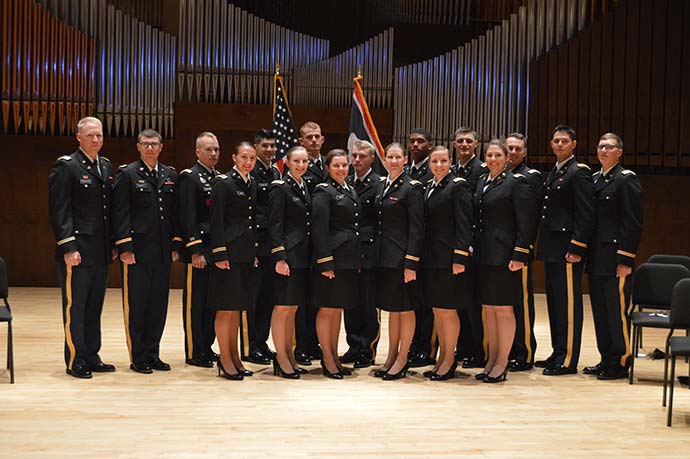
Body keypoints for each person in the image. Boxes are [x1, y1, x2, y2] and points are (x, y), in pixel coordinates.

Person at [48, 116, 116, 379]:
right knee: (75, 307)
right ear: (79, 137)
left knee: (93, 306)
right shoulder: (67, 166)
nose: (96, 140)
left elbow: (106, 212)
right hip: (77, 251)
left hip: (99, 251)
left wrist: (110, 244)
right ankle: (76, 358)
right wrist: (68, 247)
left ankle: (92, 354)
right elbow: (59, 211)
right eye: (90, 135)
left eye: (99, 135)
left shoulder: (105, 166)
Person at [112, 128, 181, 374]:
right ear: (138, 147)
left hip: (162, 252)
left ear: (161, 147)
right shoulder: (128, 174)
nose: (150, 148)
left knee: (158, 305)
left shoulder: (170, 174)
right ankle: (138, 356)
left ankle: (153, 353)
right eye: (145, 144)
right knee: (137, 305)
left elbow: (174, 215)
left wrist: (175, 245)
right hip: (137, 252)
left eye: (154, 144)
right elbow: (120, 213)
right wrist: (125, 247)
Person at [472, 140, 538, 383]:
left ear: (506, 157)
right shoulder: (482, 182)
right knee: (488, 309)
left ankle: (502, 362)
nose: (492, 159)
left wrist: (520, 253)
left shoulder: (516, 183)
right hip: (483, 254)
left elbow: (526, 222)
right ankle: (491, 359)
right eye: (489, 155)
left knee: (503, 309)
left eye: (498, 155)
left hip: (504, 255)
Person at [536, 125, 595, 376]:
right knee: (555, 303)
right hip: (552, 248)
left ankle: (568, 358)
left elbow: (585, 213)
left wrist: (577, 246)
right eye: (556, 140)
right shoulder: (557, 172)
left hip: (567, 249)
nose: (559, 144)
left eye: (564, 141)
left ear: (574, 144)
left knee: (569, 306)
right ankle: (557, 351)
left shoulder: (578, 172)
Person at [585, 133, 643, 380]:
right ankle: (606, 357)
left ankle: (620, 360)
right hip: (597, 257)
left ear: (620, 152)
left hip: (615, 259)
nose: (603, 150)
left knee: (616, 311)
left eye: (609, 147)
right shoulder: (596, 179)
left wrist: (626, 260)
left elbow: (632, 223)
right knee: (600, 310)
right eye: (600, 146)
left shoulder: (626, 180)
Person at [207, 142, 258, 380]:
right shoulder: (224, 183)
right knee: (225, 308)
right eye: (244, 157)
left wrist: (253, 252)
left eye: (252, 158)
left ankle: (235, 356)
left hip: (244, 253)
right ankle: (224, 359)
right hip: (227, 253)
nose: (248, 162)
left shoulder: (251, 182)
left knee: (237, 308)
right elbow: (216, 221)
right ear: (234, 158)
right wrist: (219, 253)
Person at [374, 142, 425, 380]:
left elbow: (417, 228)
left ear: (405, 160)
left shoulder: (411, 187)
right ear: (384, 159)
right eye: (389, 157)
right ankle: (391, 355)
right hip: (385, 257)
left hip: (403, 258)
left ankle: (403, 358)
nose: (393, 161)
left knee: (405, 309)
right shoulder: (383, 185)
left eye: (398, 157)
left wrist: (411, 262)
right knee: (393, 310)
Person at [422, 146, 473, 381]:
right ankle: (442, 356)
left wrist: (460, 256)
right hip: (433, 258)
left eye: (443, 161)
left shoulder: (457, 185)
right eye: (435, 161)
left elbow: (464, 223)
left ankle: (449, 359)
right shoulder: (431, 186)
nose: (439, 165)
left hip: (450, 258)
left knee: (448, 310)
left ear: (450, 162)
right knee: (438, 310)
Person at [311, 149, 363, 379]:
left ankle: (334, 353)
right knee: (327, 309)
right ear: (328, 168)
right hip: (332, 260)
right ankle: (327, 358)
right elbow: (319, 230)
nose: (342, 169)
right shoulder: (324, 191)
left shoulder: (349, 189)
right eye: (337, 166)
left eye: (344, 165)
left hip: (348, 260)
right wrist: (325, 262)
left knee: (337, 310)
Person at [176, 132, 221, 368]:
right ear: (197, 152)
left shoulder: (219, 178)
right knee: (196, 304)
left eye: (216, 150)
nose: (213, 154)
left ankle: (207, 346)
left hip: (214, 251)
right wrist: (195, 251)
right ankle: (194, 351)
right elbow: (188, 217)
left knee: (210, 303)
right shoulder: (190, 178)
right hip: (200, 252)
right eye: (208, 150)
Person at [268, 146, 312, 379]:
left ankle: (289, 354)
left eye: (304, 161)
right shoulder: (280, 187)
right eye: (296, 161)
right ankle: (281, 356)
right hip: (287, 257)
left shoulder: (304, 186)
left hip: (302, 257)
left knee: (293, 308)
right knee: (282, 308)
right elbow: (275, 225)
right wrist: (279, 256)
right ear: (287, 161)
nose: (301, 165)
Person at [239, 129, 280, 365]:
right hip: (255, 244)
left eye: (273, 145)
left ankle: (261, 342)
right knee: (251, 299)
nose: (270, 150)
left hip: (270, 246)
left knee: (267, 298)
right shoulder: (251, 171)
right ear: (255, 147)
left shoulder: (274, 171)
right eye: (265, 145)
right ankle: (249, 345)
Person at [341, 140, 382, 369]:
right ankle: (353, 345)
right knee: (350, 302)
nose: (356, 160)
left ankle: (367, 348)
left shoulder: (379, 184)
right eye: (354, 156)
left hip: (368, 252)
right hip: (348, 252)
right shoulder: (345, 182)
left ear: (372, 159)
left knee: (368, 303)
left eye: (362, 156)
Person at [505, 132, 544, 371]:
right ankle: (506, 349)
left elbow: (530, 219)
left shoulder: (531, 177)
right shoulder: (497, 176)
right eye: (508, 148)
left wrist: (522, 250)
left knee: (521, 303)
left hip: (517, 251)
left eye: (517, 149)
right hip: (498, 251)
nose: (512, 153)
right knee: (502, 304)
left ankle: (525, 351)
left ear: (524, 152)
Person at [451, 126, 487, 369]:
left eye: (468, 141)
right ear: (454, 144)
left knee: (475, 303)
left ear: (476, 144)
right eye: (460, 141)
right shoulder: (452, 171)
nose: (464, 145)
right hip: (454, 245)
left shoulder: (482, 172)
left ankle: (478, 349)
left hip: (474, 246)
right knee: (459, 301)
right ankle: (463, 346)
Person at [294, 121, 326, 364]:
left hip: (322, 245)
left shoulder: (331, 164)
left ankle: (316, 343)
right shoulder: (297, 171)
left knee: (319, 299)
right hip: (303, 244)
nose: (314, 141)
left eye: (317, 137)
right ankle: (301, 346)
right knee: (301, 300)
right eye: (309, 137)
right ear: (301, 141)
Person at [405, 128, 436, 369]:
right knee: (414, 301)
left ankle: (427, 348)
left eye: (421, 141)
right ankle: (414, 346)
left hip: (430, 246)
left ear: (430, 145)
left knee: (429, 302)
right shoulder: (406, 171)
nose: (415, 145)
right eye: (412, 141)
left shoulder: (432, 170)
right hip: (411, 246)